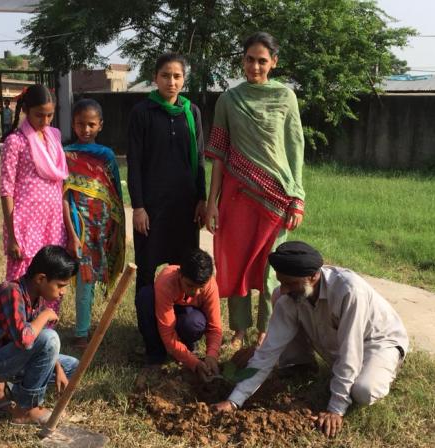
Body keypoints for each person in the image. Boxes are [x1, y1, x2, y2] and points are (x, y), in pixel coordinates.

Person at [213, 241, 409, 438]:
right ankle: (301, 365)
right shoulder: (289, 295)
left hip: (378, 342)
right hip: (338, 343)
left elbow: (351, 349)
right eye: (282, 282)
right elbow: (267, 352)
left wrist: (336, 408)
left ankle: (388, 366)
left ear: (314, 276)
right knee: (280, 301)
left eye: (291, 283)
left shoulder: (349, 291)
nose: (285, 289)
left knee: (363, 391)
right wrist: (234, 401)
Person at [204, 32, 306, 349]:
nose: (256, 66)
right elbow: (219, 154)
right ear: (242, 61)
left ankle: (265, 330)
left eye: (263, 60)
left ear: (274, 63)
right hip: (236, 196)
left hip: (276, 197)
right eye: (250, 59)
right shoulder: (228, 101)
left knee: (268, 268)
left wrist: (298, 197)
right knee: (235, 263)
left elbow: (295, 148)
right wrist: (212, 204)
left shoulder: (286, 98)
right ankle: (238, 330)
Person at [0, 245, 80, 425]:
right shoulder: (11, 291)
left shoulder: (34, 298)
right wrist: (45, 315)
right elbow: (25, 340)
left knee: (71, 367)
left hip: (3, 360)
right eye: (60, 285)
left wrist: (58, 368)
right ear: (41, 279)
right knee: (49, 337)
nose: (63, 292)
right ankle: (25, 409)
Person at [127, 52, 207, 295]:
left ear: (184, 79)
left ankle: (176, 319)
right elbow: (135, 163)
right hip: (152, 205)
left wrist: (201, 199)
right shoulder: (142, 113)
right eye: (165, 75)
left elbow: (200, 158)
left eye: (177, 76)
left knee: (183, 266)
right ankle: (147, 325)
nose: (171, 82)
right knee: (147, 265)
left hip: (185, 205)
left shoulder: (191, 112)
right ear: (155, 78)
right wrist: (138, 207)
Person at [0, 84, 67, 320]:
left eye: (50, 114)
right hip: (25, 223)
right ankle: (19, 327)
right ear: (26, 110)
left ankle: (46, 328)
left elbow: (61, 182)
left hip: (52, 220)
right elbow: (6, 190)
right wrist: (13, 235)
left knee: (53, 273)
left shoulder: (54, 137)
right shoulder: (15, 142)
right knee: (24, 275)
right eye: (40, 115)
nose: (45, 120)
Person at [62, 98, 125, 352]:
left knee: (91, 278)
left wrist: (115, 228)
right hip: (78, 226)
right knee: (79, 277)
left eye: (91, 124)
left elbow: (114, 193)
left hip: (102, 227)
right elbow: (64, 194)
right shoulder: (66, 155)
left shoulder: (107, 156)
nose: (85, 129)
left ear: (100, 125)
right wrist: (71, 230)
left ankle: (84, 326)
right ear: (73, 124)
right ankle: (80, 332)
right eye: (80, 124)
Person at [135, 248, 222, 380]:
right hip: (164, 314)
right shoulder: (166, 282)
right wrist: (195, 363)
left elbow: (215, 328)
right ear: (180, 275)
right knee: (145, 297)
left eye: (200, 287)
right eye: (190, 285)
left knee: (194, 322)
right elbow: (167, 333)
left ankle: (187, 346)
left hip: (187, 315)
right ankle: (155, 355)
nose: (196, 292)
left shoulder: (210, 285)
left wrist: (212, 355)